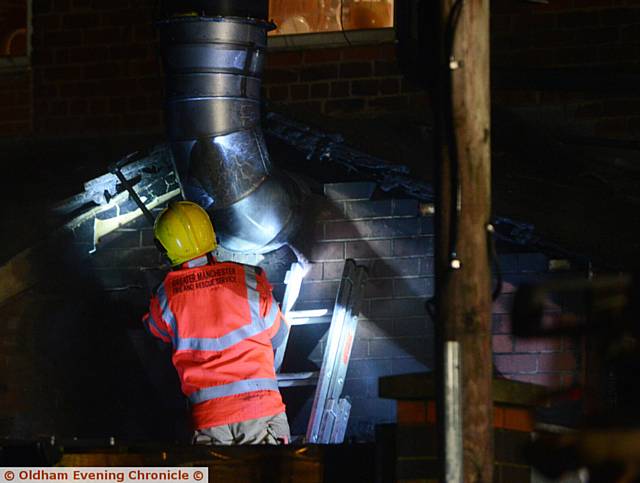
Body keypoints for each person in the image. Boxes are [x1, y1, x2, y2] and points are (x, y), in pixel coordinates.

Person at [142, 201, 290, 445]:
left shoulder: (165, 295)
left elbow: (155, 333)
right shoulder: (249, 278)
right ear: (211, 234)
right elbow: (279, 335)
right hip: (260, 413)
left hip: (208, 420)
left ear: (166, 248)